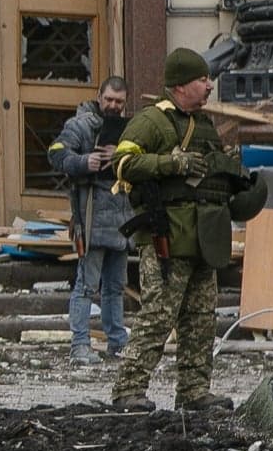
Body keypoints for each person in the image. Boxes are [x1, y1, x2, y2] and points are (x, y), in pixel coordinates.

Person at [110, 49, 252, 412]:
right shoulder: (151, 121)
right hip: (167, 239)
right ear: (179, 85)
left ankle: (193, 391)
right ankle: (129, 390)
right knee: (158, 315)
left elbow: (211, 177)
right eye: (202, 80)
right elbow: (122, 162)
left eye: (208, 79)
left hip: (205, 237)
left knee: (202, 320)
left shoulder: (204, 124)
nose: (209, 86)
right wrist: (170, 162)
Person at [49, 75, 133, 365]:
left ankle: (117, 341)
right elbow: (56, 153)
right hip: (92, 217)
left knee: (115, 287)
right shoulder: (81, 125)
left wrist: (122, 156)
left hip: (122, 220)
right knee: (86, 285)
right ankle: (80, 344)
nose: (113, 105)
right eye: (109, 99)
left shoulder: (130, 130)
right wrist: (85, 162)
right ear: (99, 96)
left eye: (119, 102)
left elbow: (143, 162)